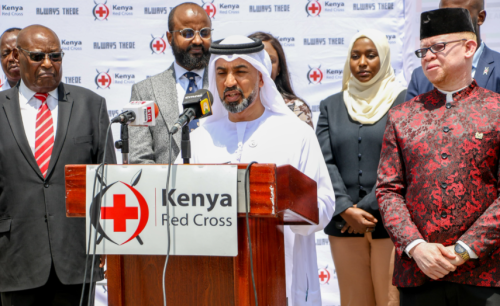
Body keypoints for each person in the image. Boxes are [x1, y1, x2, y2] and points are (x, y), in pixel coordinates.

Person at [177, 35, 335, 305]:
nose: (229, 82)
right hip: (213, 282)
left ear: (262, 77)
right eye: (221, 72)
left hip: (279, 280)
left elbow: (325, 205)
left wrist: (290, 201)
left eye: (240, 72)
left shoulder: (295, 133)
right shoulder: (201, 137)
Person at [377, 8, 500, 305]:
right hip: (419, 273)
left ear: (470, 47)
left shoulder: (496, 110)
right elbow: (387, 190)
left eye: (439, 47)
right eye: (423, 50)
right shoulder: (402, 116)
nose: (429, 56)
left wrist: (464, 250)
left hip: (484, 274)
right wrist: (416, 247)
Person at [0, 25, 116, 305]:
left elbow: (109, 180)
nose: (48, 64)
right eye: (38, 56)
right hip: (15, 260)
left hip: (76, 260)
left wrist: (109, 245)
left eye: (56, 56)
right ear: (17, 55)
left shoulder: (91, 105)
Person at [316, 29, 405, 306]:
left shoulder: (403, 102)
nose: (362, 63)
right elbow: (323, 161)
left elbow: (402, 163)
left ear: (385, 58)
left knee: (391, 301)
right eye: (355, 56)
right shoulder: (331, 106)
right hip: (343, 224)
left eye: (371, 55)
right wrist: (345, 208)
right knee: (354, 301)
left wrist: (364, 209)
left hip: (389, 221)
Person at [130, 2, 211, 164]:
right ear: (169, 37)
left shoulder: (225, 85)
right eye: (187, 33)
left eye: (204, 33)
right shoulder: (143, 91)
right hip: (166, 187)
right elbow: (139, 158)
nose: (197, 40)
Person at [406, 0, 500, 100]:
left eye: (457, 14)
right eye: (443, 14)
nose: (447, 20)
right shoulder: (420, 77)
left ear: (480, 17)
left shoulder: (497, 68)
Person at [248, 32, 313, 128]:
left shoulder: (296, 109)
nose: (265, 65)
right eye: (258, 60)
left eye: (271, 60)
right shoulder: (231, 105)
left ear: (279, 68)